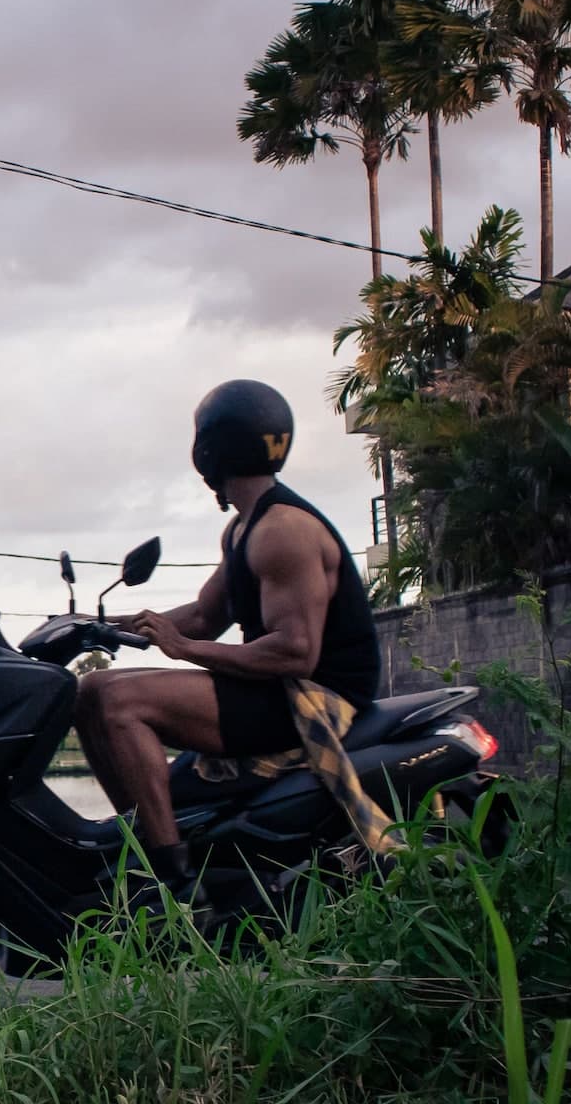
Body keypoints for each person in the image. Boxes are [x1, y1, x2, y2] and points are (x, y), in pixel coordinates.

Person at [75, 380, 382, 898]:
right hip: (274, 689)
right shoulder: (244, 527)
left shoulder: (283, 530)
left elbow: (295, 650)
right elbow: (203, 615)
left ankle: (172, 882)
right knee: (88, 692)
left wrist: (184, 649)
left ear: (209, 451)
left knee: (119, 701)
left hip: (312, 699)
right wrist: (108, 627)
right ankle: (141, 834)